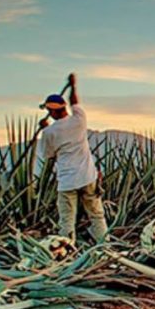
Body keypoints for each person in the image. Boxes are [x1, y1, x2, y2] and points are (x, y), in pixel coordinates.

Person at [37, 73, 108, 242]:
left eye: (48, 110)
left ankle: (67, 250)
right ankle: (104, 245)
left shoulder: (49, 132)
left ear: (52, 111)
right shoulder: (79, 119)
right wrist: (73, 85)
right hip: (87, 177)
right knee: (97, 215)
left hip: (67, 180)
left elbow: (49, 155)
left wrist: (44, 129)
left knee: (67, 220)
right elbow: (75, 101)